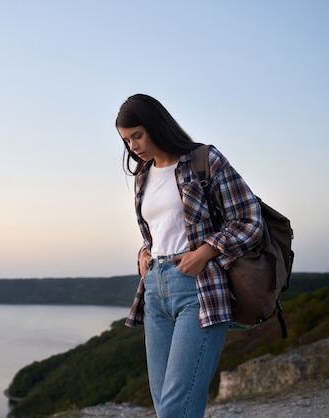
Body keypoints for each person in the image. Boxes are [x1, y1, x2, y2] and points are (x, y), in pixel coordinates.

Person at [115, 94, 263, 418]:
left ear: (155, 124)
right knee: (165, 405)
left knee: (175, 409)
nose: (133, 146)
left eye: (137, 135)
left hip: (198, 289)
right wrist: (143, 251)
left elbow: (251, 220)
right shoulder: (143, 175)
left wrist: (207, 250)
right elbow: (158, 231)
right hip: (154, 291)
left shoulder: (203, 160)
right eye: (126, 140)